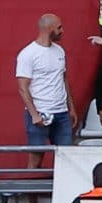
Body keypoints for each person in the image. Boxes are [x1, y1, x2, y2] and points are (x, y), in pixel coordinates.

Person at [14, 13, 70, 149]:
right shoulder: (28, 54)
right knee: (36, 156)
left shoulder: (60, 51)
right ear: (49, 29)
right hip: (40, 112)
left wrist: (71, 108)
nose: (62, 31)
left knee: (67, 156)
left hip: (62, 113)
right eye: (59, 28)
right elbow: (22, 87)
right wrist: (34, 115)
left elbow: (63, 80)